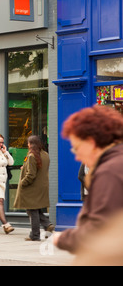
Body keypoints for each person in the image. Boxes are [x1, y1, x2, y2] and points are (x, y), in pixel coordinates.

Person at [53, 105, 123, 253]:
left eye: (76, 148)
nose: (77, 156)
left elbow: (99, 229)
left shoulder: (109, 171)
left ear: (91, 142)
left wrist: (62, 239)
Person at [13, 135, 55, 241]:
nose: (27, 145)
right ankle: (46, 225)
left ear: (31, 144)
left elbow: (31, 174)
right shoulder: (45, 154)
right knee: (35, 209)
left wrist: (22, 183)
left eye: (28, 143)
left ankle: (35, 235)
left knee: (32, 210)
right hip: (42, 186)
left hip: (32, 187)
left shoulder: (32, 156)